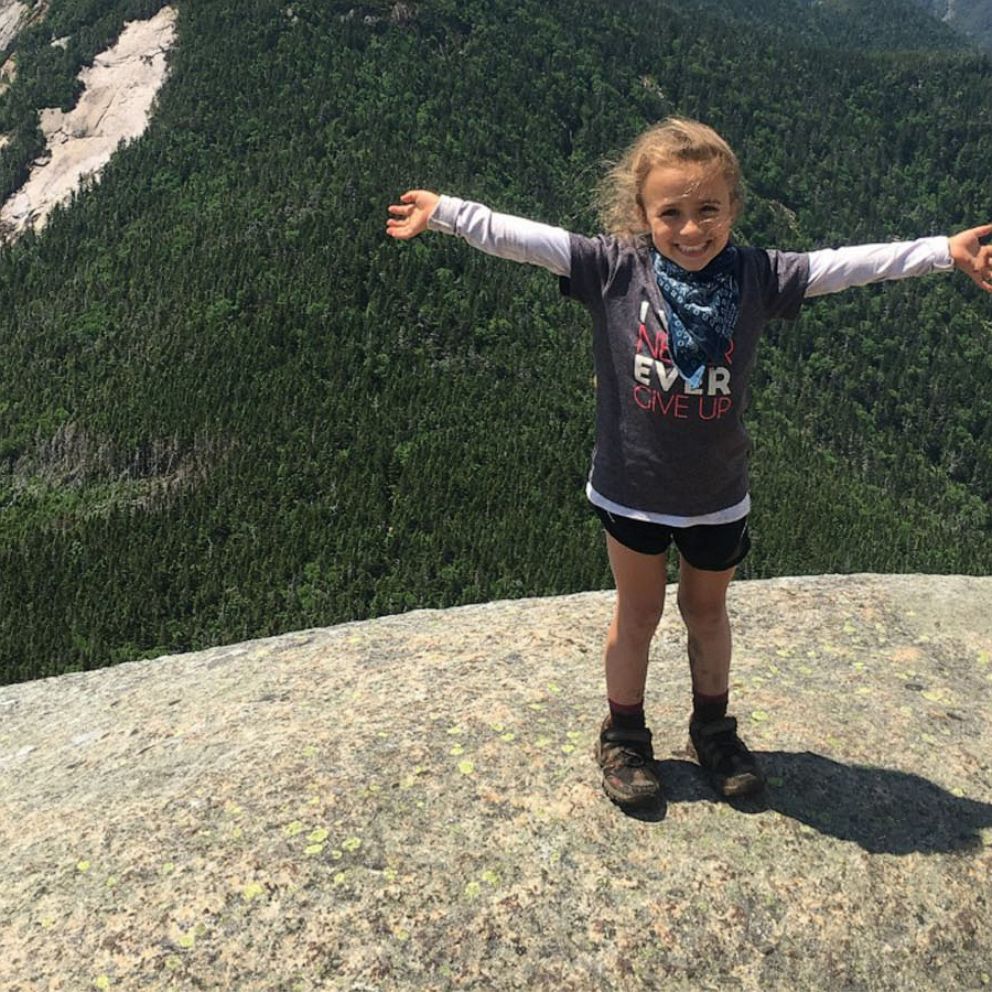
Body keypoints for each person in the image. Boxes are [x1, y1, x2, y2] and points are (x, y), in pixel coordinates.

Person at [386, 117, 992, 811]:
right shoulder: (615, 267)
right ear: (642, 216)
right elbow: (521, 238)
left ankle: (713, 730)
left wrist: (942, 252)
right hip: (632, 492)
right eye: (670, 213)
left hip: (716, 495)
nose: (692, 229)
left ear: (733, 207)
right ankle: (624, 734)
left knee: (708, 614)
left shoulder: (762, 275)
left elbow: (851, 263)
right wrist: (447, 214)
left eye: (709, 210)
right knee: (637, 613)